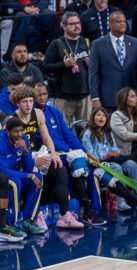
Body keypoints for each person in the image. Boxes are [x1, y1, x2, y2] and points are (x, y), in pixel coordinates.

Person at [34, 83, 105, 226]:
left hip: (67, 152)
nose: (41, 97)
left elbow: (69, 135)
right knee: (78, 166)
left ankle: (89, 209)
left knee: (95, 170)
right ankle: (86, 210)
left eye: (44, 94)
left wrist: (86, 153)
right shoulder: (32, 115)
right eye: (38, 94)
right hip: (51, 154)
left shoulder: (54, 111)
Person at [12, 86, 82, 230]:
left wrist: (54, 154)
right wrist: (32, 161)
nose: (29, 104)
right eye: (25, 101)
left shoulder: (38, 114)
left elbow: (46, 137)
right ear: (17, 103)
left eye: (31, 101)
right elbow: (13, 150)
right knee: (37, 174)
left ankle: (64, 216)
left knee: (59, 168)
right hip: (18, 160)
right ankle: (36, 214)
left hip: (35, 154)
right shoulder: (12, 120)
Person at [81, 107, 137, 213]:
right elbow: (90, 155)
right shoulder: (87, 135)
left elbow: (115, 148)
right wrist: (107, 154)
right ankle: (121, 201)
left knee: (131, 164)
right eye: (98, 115)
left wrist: (115, 152)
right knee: (117, 167)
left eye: (103, 116)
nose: (101, 118)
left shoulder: (107, 132)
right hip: (100, 164)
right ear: (93, 118)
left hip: (112, 160)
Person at [89, 11, 137, 114]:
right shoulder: (98, 44)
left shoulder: (135, 43)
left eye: (124, 21)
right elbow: (93, 74)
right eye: (118, 21)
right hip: (108, 100)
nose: (122, 24)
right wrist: (95, 97)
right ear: (110, 24)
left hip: (130, 100)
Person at [43, 12, 91, 124]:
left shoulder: (86, 42)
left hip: (84, 95)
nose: (76, 26)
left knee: (85, 130)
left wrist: (91, 64)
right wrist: (63, 64)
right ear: (64, 26)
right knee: (61, 129)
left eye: (78, 23)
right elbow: (45, 67)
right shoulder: (56, 44)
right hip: (63, 96)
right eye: (72, 23)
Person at [0, 117, 44, 235]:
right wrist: (29, 176)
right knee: (15, 183)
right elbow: (4, 171)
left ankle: (27, 221)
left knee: (38, 177)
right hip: (2, 178)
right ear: (8, 131)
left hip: (14, 174)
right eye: (16, 131)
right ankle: (10, 224)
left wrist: (26, 151)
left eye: (21, 131)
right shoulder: (1, 142)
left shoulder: (23, 139)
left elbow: (29, 168)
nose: (19, 134)